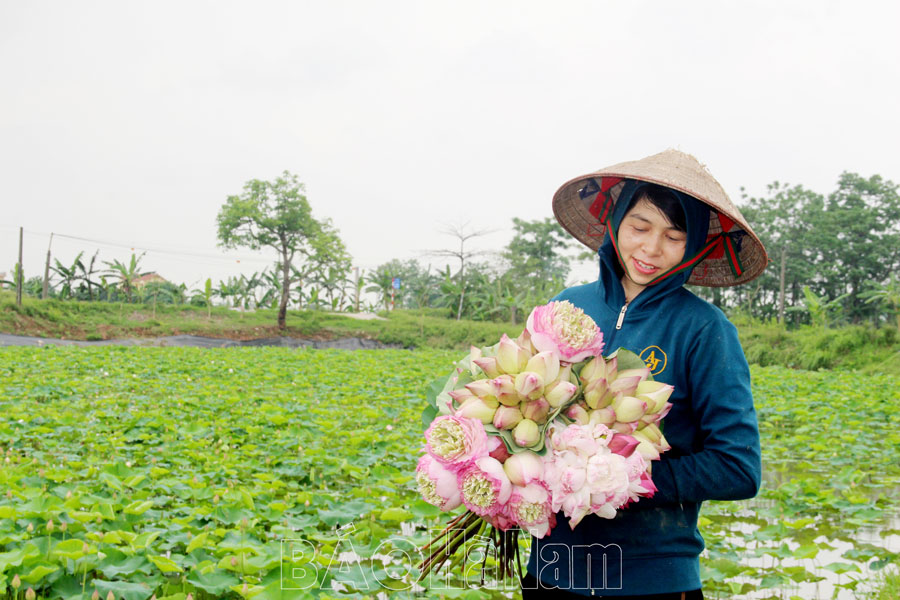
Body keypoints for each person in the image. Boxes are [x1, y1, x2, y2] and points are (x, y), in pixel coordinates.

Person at [522, 149, 768, 599]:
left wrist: (620, 477)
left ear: (695, 246)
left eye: (674, 236)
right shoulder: (567, 307)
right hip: (551, 570)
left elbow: (739, 467)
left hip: (650, 579)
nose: (651, 249)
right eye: (639, 227)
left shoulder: (705, 330)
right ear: (614, 222)